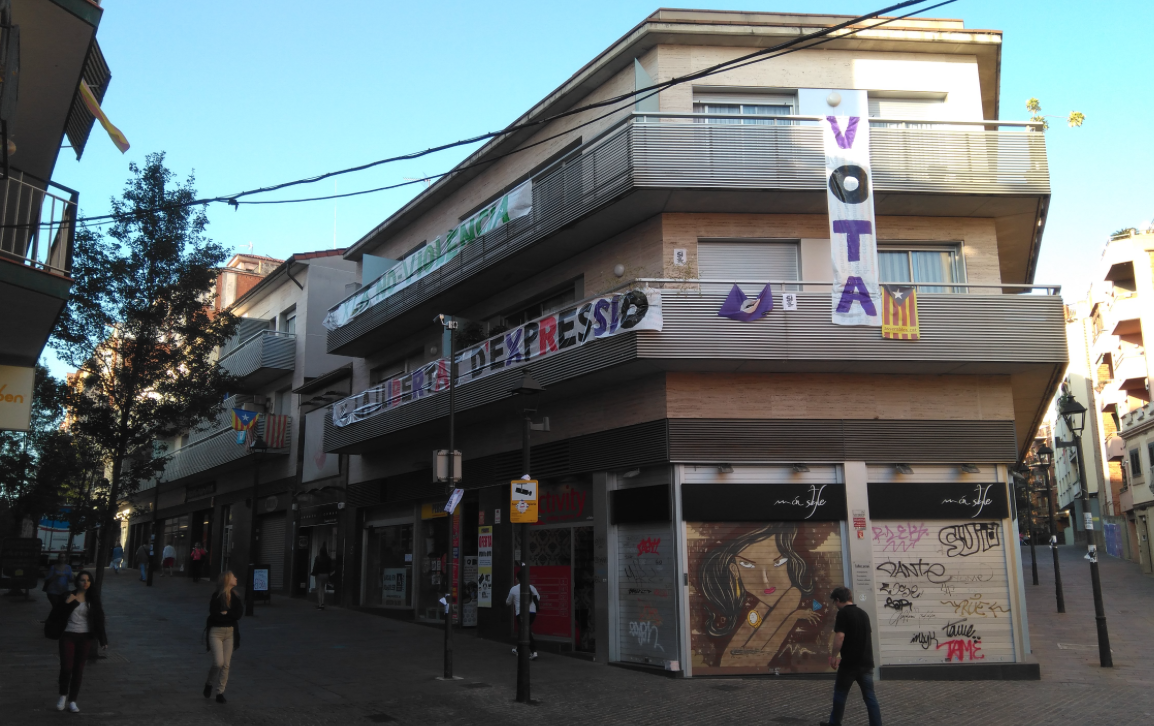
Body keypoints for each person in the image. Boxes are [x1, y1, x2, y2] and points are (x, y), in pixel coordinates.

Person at [45, 570, 108, 713]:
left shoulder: (93, 598)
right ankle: (62, 695)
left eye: (87, 580)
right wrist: (66, 603)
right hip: (68, 635)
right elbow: (55, 615)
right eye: (82, 580)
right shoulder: (69, 595)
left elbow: (99, 619)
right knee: (67, 667)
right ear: (77, 582)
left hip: (85, 637)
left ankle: (73, 700)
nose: (85, 583)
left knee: (78, 670)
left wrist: (103, 639)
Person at [822, 586, 882, 726]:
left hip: (849, 664)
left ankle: (834, 723)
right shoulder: (863, 614)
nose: (835, 605)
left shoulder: (843, 614)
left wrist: (833, 656)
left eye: (835, 602)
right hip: (866, 663)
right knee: (870, 697)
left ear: (838, 600)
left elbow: (840, 637)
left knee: (840, 694)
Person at [203, 570, 243, 704]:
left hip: (230, 633)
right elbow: (214, 615)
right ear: (227, 580)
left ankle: (220, 692)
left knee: (226, 665)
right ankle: (209, 683)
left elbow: (238, 614)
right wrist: (226, 616)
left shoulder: (235, 597)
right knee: (218, 662)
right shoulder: (216, 597)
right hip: (216, 632)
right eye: (233, 577)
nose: (236, 578)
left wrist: (226, 614)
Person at [505, 567, 540, 660]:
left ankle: (533, 651)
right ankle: (518, 649)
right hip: (533, 613)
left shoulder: (514, 589)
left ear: (518, 578)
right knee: (524, 631)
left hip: (521, 614)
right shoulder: (532, 587)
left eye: (516, 578)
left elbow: (508, 602)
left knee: (526, 632)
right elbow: (538, 598)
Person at [310, 544, 333, 610]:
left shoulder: (318, 558)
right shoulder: (328, 558)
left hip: (319, 575)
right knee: (323, 589)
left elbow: (315, 567)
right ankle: (322, 603)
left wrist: (313, 573)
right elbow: (330, 567)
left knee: (319, 590)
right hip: (326, 575)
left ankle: (320, 604)